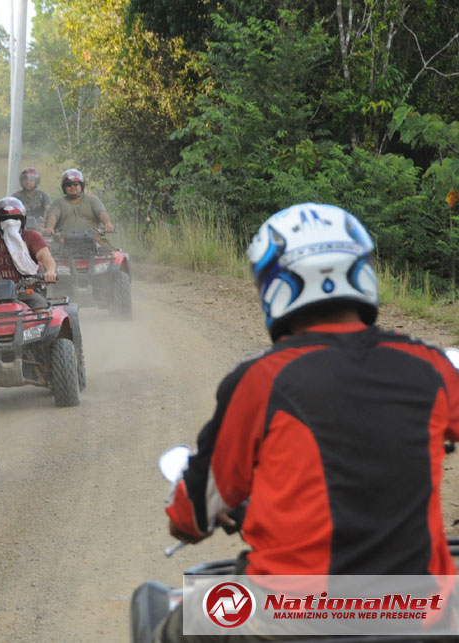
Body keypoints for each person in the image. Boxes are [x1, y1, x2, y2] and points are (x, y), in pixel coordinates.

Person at [155, 203, 459, 643]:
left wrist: (188, 517)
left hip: (292, 616)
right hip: (419, 614)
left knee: (162, 617)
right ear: (362, 271)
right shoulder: (428, 366)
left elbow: (193, 514)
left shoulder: (260, 378)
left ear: (273, 284)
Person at [42, 168, 115, 235]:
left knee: (112, 249)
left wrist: (107, 224)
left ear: (81, 185)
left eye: (75, 184)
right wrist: (50, 228)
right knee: (49, 249)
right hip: (64, 242)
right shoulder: (58, 203)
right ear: (64, 188)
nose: (72, 187)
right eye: (68, 185)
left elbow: (102, 213)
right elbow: (52, 216)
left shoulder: (92, 200)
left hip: (94, 240)